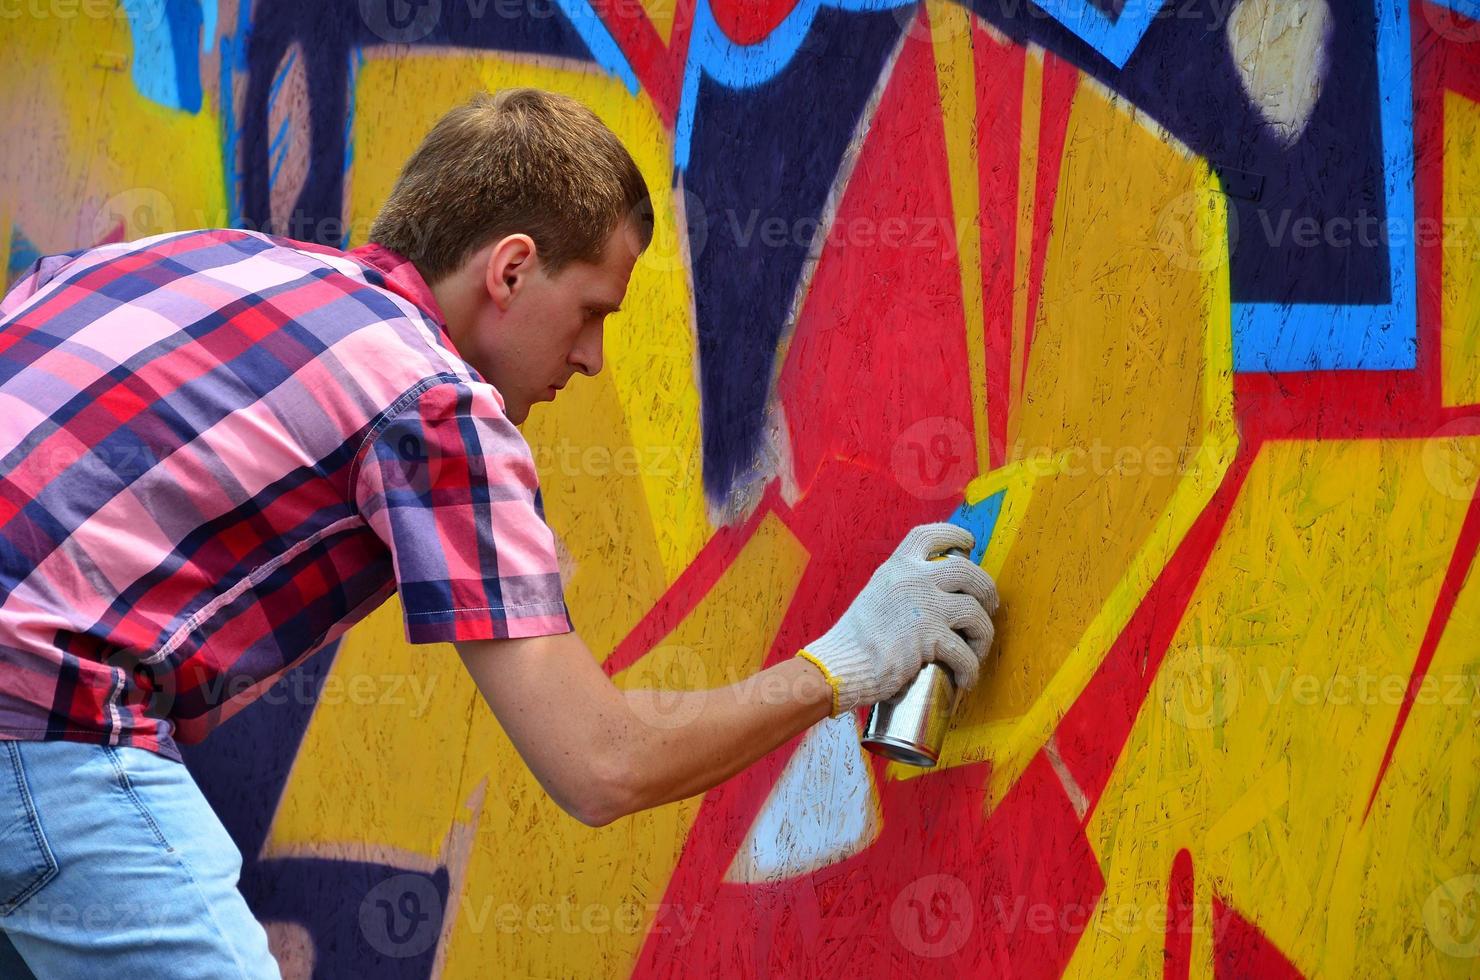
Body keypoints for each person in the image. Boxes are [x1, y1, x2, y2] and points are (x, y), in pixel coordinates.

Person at [0, 88, 999, 977]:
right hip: (41, 709)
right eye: (590, 311)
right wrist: (843, 663)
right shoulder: (428, 404)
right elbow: (600, 763)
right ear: (512, 269)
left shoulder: (177, 263)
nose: (596, 358)